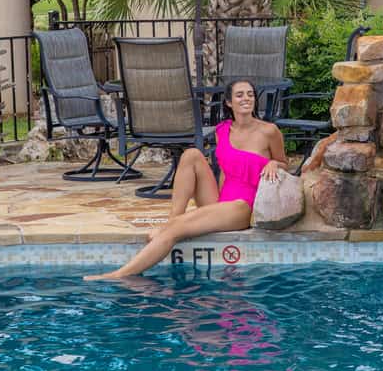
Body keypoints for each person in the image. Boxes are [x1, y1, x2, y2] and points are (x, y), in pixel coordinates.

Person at [84, 78, 288, 281]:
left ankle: (119, 275)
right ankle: (174, 217)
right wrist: (215, 204)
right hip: (223, 200)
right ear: (229, 102)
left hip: (244, 207)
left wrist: (274, 164)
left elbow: (285, 165)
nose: (246, 98)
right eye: (240, 94)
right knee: (191, 154)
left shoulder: (269, 131)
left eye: (250, 94)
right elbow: (226, 170)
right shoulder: (222, 131)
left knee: (177, 230)